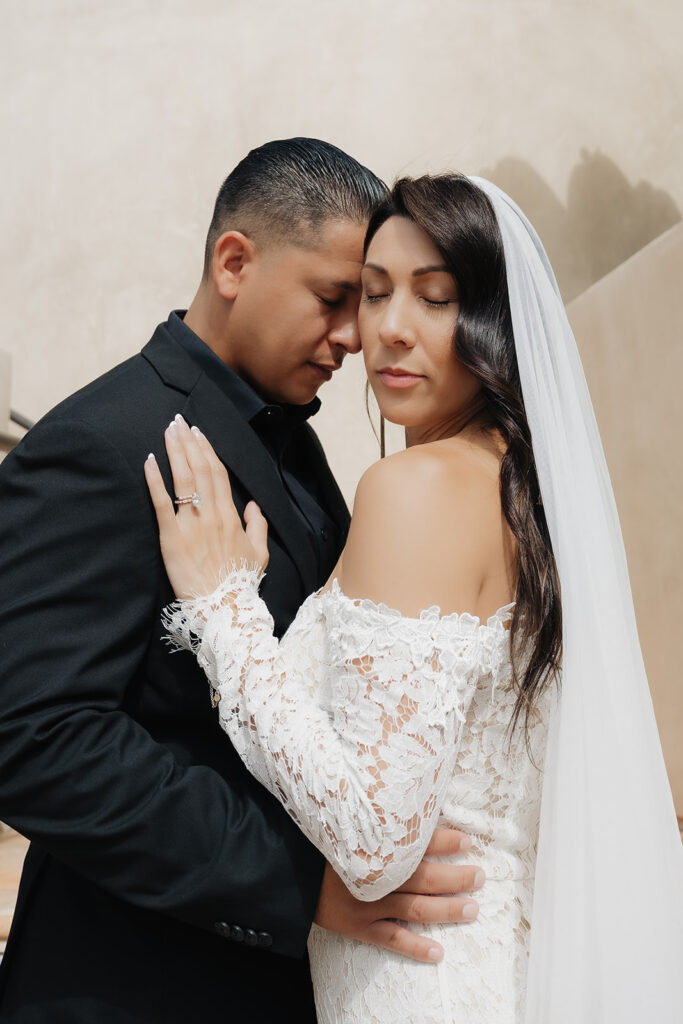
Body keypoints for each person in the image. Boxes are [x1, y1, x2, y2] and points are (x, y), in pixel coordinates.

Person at [145, 173, 683, 1023]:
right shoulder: (523, 494)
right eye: (372, 293)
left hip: (419, 983)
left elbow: (371, 844)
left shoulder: (415, 487)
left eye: (434, 299)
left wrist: (224, 611)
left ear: (493, 326)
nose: (386, 330)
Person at [0, 141, 483, 1024]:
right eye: (336, 299)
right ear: (234, 262)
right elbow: (34, 739)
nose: (356, 337)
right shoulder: (101, 444)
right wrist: (298, 883)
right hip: (135, 987)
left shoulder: (296, 439)